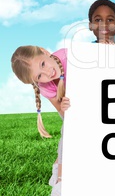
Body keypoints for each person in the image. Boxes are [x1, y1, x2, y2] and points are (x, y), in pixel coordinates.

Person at [11, 46, 71, 196]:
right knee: (68, 133)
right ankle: (61, 181)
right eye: (39, 76)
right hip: (76, 116)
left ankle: (59, 166)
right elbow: (65, 116)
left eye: (43, 64)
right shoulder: (46, 86)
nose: (47, 73)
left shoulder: (70, 57)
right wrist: (68, 109)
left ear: (45, 52)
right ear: (35, 82)